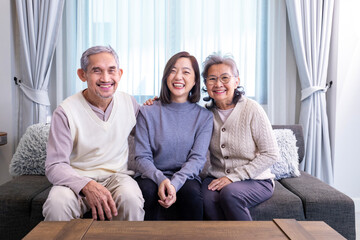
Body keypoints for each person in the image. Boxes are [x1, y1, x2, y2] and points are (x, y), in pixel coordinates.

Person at [42, 46, 145, 221]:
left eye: (111, 71)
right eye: (97, 71)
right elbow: (55, 165)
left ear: (119, 73)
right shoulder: (65, 111)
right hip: (75, 178)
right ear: (82, 75)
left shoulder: (130, 103)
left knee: (131, 199)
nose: (106, 78)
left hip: (117, 177)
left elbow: (153, 133)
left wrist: (157, 105)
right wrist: (86, 185)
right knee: (57, 205)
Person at [135, 51, 213, 220]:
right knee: (147, 192)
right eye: (173, 71)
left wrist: (174, 184)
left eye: (186, 72)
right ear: (165, 77)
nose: (178, 77)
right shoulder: (147, 112)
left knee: (192, 195)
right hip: (152, 175)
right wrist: (161, 179)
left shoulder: (205, 117)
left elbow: (198, 159)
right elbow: (142, 157)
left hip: (186, 176)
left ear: (194, 81)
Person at [201, 53, 279, 220]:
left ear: (237, 81)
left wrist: (234, 177)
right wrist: (157, 102)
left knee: (230, 194)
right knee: (205, 199)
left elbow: (271, 153)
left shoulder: (252, 109)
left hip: (255, 179)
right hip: (216, 177)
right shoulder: (205, 113)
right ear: (205, 84)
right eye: (212, 79)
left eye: (225, 78)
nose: (218, 84)